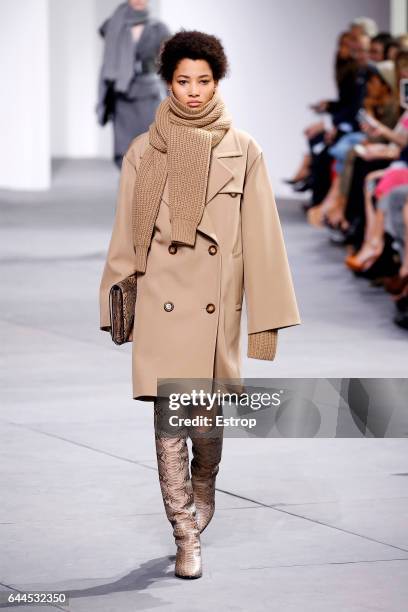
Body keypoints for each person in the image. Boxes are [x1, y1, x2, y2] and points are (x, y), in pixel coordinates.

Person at [98, 30, 301, 579]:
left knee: (204, 422)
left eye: (203, 81)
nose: (192, 91)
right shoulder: (144, 150)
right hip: (163, 296)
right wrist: (117, 298)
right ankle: (185, 534)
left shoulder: (244, 149)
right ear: (169, 82)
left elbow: (264, 239)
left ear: (217, 82)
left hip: (217, 305)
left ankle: (205, 481)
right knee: (169, 420)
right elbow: (125, 232)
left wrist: (268, 325)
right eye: (183, 81)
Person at [95, 0, 171, 168]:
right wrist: (102, 98)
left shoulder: (159, 29)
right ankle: (129, 190)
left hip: (148, 96)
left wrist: (173, 101)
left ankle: (147, 191)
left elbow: (169, 67)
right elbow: (107, 64)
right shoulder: (113, 25)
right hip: (122, 95)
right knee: (124, 153)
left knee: (151, 151)